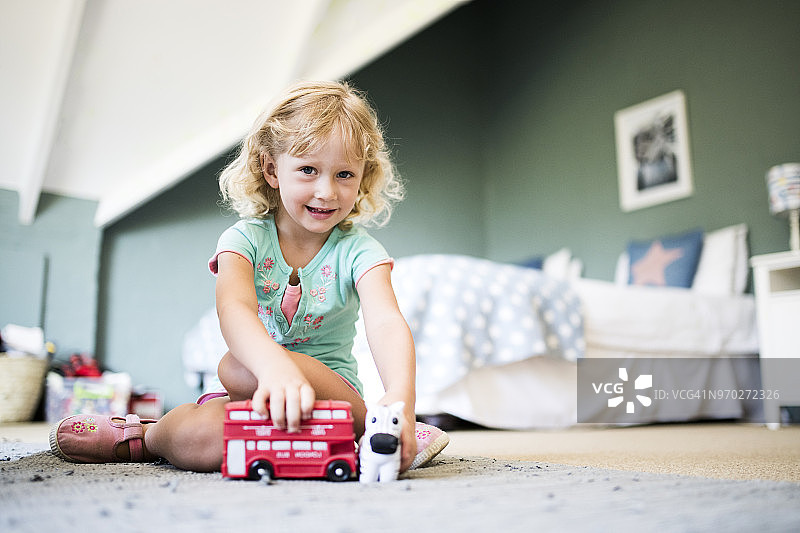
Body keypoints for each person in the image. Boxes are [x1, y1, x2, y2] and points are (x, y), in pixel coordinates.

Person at [49, 80, 449, 474]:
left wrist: (400, 400)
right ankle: (144, 438)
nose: (327, 191)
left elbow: (385, 321)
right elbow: (233, 309)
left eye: (344, 174)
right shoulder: (243, 240)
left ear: (363, 175)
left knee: (235, 367)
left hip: (336, 399)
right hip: (254, 390)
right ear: (272, 170)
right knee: (203, 426)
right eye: (308, 170)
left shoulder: (359, 251)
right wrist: (275, 369)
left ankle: (382, 435)